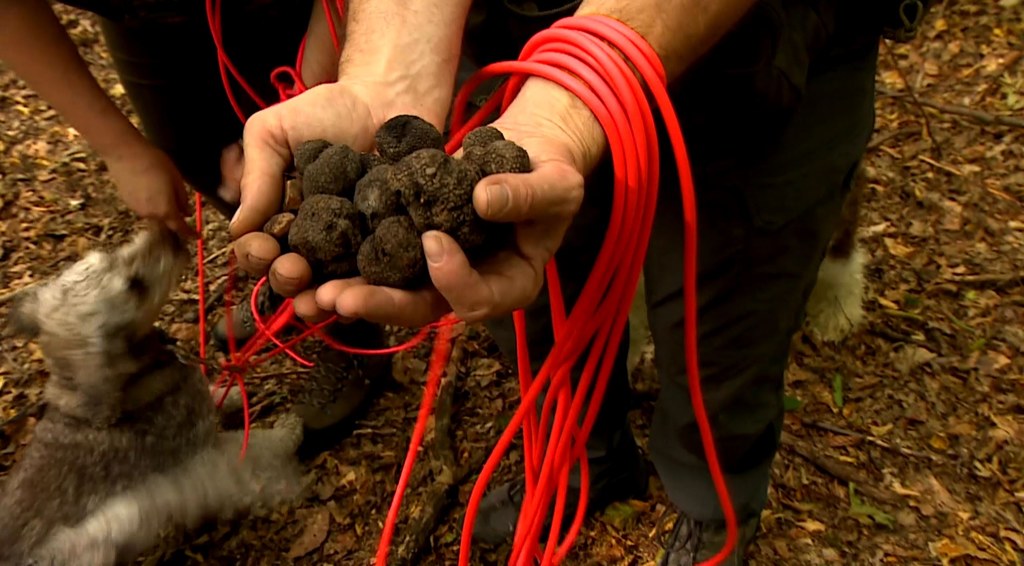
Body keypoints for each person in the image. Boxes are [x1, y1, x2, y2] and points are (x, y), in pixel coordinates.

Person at [230, 1, 938, 564]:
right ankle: (584, 462)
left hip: (770, 51)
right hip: (514, 34)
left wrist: (579, 91)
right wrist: (387, 72)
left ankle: (712, 511)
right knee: (535, 292)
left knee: (722, 322)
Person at [0, 0, 391, 452]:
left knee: (306, 162)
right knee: (214, 168)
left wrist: (324, 62)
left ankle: (350, 333)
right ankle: (286, 281)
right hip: (145, 22)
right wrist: (119, 148)